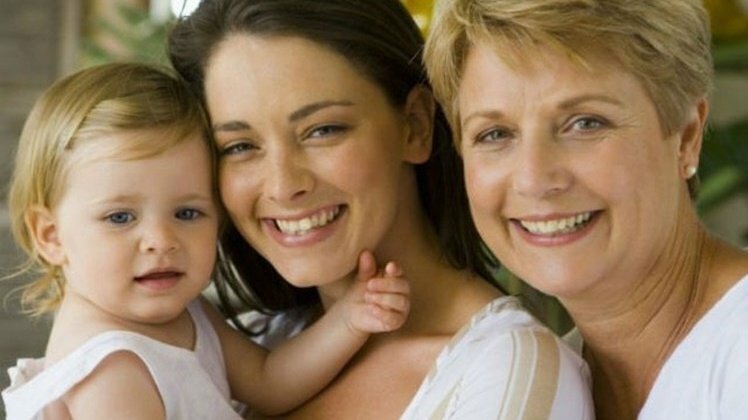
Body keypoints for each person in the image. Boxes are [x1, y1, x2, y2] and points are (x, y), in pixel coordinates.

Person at [167, 0, 593, 418]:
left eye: (323, 130)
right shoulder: (242, 355)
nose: (283, 185)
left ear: (415, 126)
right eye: (239, 147)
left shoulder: (507, 372)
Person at [1, 62, 412, 420]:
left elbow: (269, 383)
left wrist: (348, 319)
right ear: (51, 236)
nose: (161, 241)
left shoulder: (181, 314)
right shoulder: (109, 370)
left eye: (187, 213)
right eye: (120, 217)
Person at [424, 0, 748, 418]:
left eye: (585, 123)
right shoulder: (533, 384)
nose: (534, 179)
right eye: (495, 134)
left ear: (687, 137)